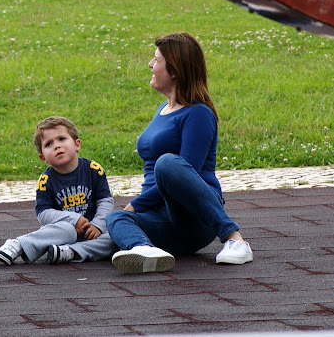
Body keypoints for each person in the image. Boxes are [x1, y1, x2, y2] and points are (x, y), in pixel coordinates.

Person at [106, 32, 253, 273]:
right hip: (165, 222)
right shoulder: (162, 109)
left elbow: (188, 172)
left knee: (167, 164)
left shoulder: (198, 114)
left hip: (197, 217)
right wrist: (135, 210)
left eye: (156, 60)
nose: (150, 65)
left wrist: (135, 204)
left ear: (174, 71)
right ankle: (146, 251)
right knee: (115, 219)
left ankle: (234, 238)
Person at [0, 117, 116, 265]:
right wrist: (73, 219)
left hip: (93, 232)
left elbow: (105, 200)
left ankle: (71, 252)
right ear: (42, 157)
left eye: (62, 139)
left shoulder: (93, 170)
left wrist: (98, 224)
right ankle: (19, 244)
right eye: (49, 144)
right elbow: (43, 213)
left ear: (77, 144)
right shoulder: (46, 180)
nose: (57, 146)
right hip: (64, 232)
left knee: (115, 236)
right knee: (67, 230)